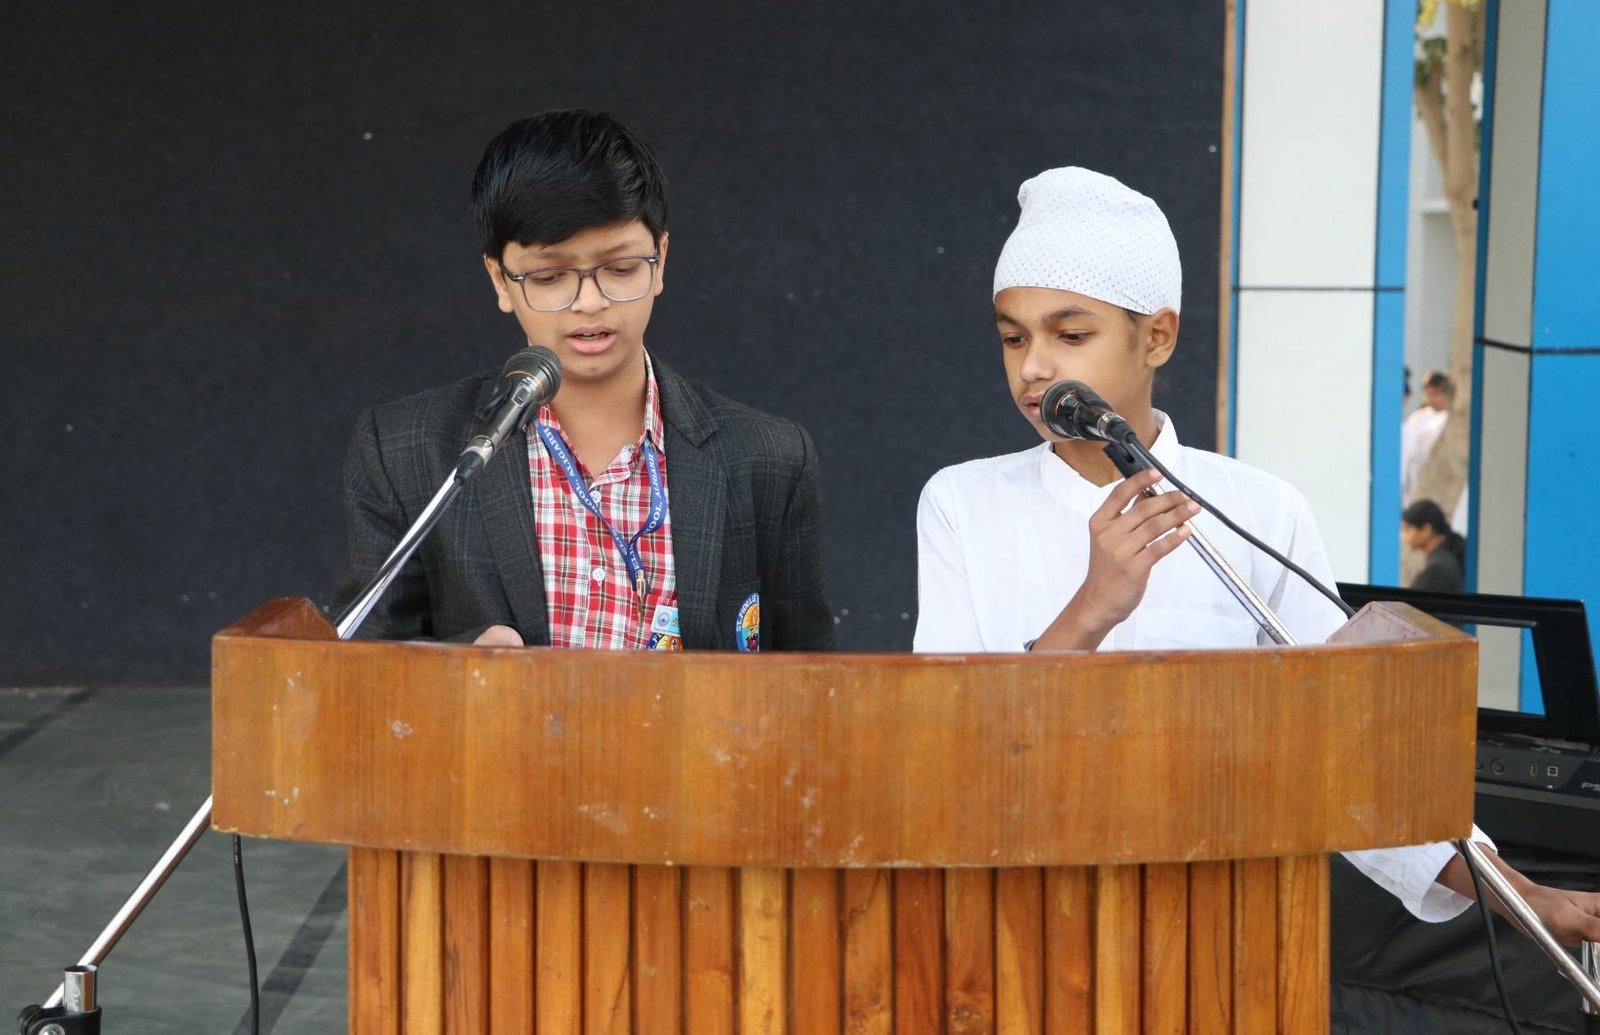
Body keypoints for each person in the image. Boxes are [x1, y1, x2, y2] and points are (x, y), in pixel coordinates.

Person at [914, 165, 1600, 942]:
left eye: (1070, 335)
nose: (1035, 365)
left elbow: (1345, 756)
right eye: (1013, 337)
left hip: (1220, 941)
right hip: (1018, 934)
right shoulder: (961, 503)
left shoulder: (1259, 511)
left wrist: (1519, 894)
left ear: (1157, 336)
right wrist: (1090, 611)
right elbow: (948, 752)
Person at [334, 110, 833, 652]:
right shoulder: (406, 452)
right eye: (550, 276)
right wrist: (461, 671)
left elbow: (810, 685)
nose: (589, 302)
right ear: (500, 279)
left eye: (620, 269)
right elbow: (358, 670)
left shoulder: (767, 459)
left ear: (661, 260)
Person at [1401, 370, 1452, 506]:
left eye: (1435, 394)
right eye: (1427, 394)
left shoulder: (1453, 421)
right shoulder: (1417, 419)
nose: (1430, 399)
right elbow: (1406, 455)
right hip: (1417, 485)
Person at [1403, 498, 1466, 593]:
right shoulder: (1444, 560)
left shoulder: (1437, 569)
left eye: (1407, 529)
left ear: (1426, 530)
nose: (1402, 536)